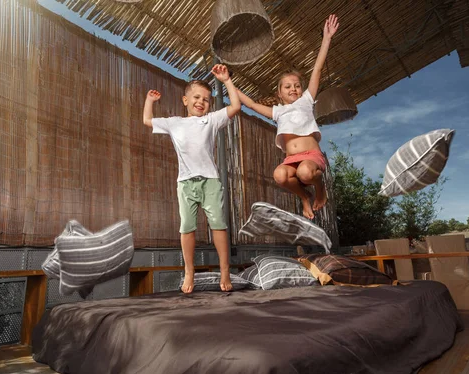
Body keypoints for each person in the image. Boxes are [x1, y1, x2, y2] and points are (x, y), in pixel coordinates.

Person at [143, 64, 241, 293]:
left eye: (206, 99)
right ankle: (189, 271)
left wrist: (226, 81)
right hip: (185, 182)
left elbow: (235, 106)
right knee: (187, 227)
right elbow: (148, 121)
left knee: (218, 224)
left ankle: (225, 270)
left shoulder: (212, 120)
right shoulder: (174, 122)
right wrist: (149, 101)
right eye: (196, 97)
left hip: (210, 180)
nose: (201, 102)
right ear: (185, 100)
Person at [237, 14, 339, 219]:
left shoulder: (306, 100)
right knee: (280, 175)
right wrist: (227, 81)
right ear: (279, 93)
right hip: (291, 159)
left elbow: (317, 69)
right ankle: (304, 197)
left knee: (304, 173)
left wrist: (326, 39)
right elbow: (250, 104)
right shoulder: (278, 111)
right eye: (287, 86)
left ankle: (320, 188)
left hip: (310, 158)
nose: (293, 89)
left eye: (297, 85)